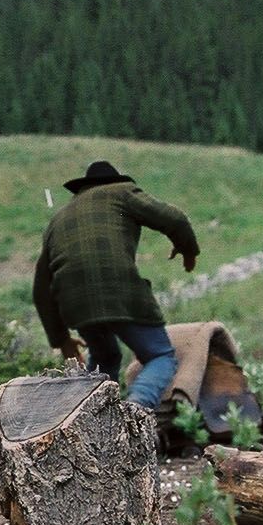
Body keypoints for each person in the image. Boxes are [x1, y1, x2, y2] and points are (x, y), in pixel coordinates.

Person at [32, 159, 200, 410]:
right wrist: (188, 251)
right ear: (115, 180)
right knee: (160, 356)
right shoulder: (121, 192)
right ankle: (135, 411)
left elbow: (41, 288)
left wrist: (62, 339)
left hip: (75, 302)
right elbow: (173, 218)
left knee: (105, 356)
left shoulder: (59, 219)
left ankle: (88, 417)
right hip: (120, 291)